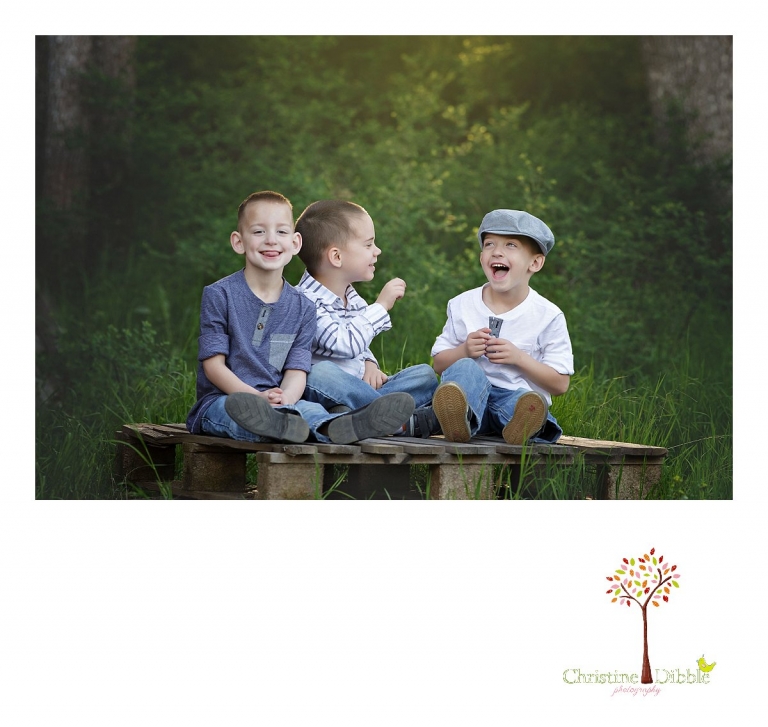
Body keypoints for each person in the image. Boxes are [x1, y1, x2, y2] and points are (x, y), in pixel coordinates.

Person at [185, 191, 415, 445]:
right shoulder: (220, 295)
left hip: (282, 401)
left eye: (281, 232)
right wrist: (255, 397)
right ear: (239, 242)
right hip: (224, 398)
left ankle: (336, 427)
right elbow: (213, 367)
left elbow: (297, 370)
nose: (271, 240)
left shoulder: (303, 307)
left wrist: (287, 398)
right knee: (231, 411)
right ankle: (282, 426)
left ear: (296, 243)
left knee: (310, 412)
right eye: (259, 232)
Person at [294, 199, 440, 438]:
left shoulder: (354, 300)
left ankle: (352, 416)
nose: (377, 251)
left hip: (357, 389)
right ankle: (397, 423)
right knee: (321, 373)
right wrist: (381, 306)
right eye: (369, 244)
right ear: (337, 257)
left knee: (423, 375)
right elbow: (343, 342)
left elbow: (359, 346)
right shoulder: (303, 302)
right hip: (324, 388)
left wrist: (370, 362)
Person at [430, 208, 574, 444]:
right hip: (470, 398)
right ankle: (459, 419)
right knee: (464, 368)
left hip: (512, 400)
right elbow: (438, 363)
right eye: (489, 244)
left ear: (535, 262)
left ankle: (523, 426)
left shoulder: (547, 315)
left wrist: (519, 358)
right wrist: (464, 351)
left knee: (521, 402)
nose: (496, 252)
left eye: (511, 245)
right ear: (481, 258)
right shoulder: (462, 305)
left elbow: (560, 384)